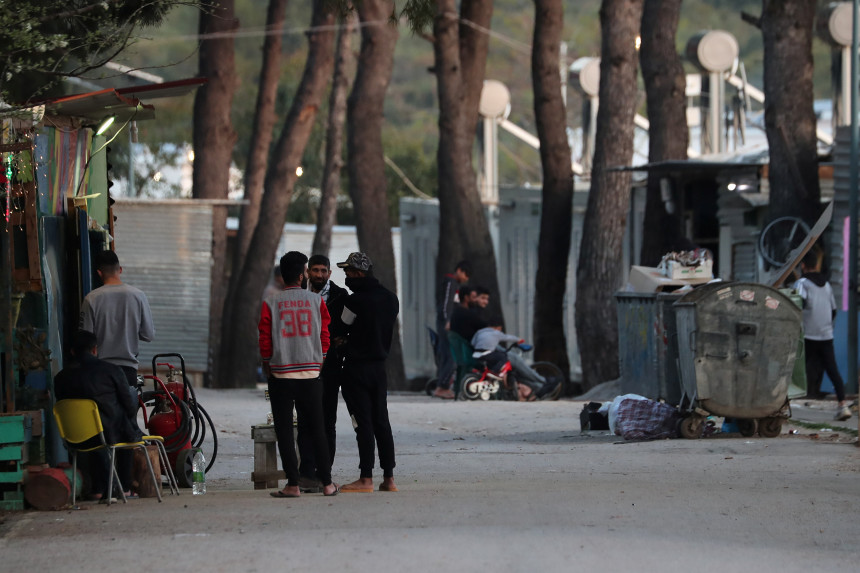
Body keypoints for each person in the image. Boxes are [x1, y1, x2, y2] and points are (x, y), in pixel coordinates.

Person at [258, 251, 339, 498]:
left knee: (284, 430)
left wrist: (268, 363)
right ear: (302, 275)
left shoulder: (271, 302)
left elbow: (264, 338)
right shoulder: (316, 302)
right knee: (318, 428)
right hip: (311, 374)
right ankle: (327, 484)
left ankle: (293, 484)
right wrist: (320, 359)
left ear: (283, 276)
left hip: (281, 374)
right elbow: (325, 335)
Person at [336, 252, 399, 493]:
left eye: (348, 272)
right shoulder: (391, 299)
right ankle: (389, 478)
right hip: (379, 369)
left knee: (363, 423)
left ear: (358, 274)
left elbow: (341, 328)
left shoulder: (354, 301)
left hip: (356, 369)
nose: (346, 277)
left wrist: (345, 341)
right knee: (381, 420)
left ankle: (366, 478)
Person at [54, 330, 143, 501]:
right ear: (95, 349)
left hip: (75, 437)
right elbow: (129, 406)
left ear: (72, 351)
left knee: (96, 434)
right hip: (110, 435)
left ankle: (98, 489)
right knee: (125, 428)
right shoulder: (112, 370)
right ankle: (124, 488)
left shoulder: (60, 377)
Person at [294, 254, 349, 492]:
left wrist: (340, 344)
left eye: (323, 270)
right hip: (304, 365)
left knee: (327, 421)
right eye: (315, 270)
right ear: (307, 272)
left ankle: (324, 473)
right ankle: (306, 473)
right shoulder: (298, 295)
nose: (319, 274)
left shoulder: (340, 296)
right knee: (305, 420)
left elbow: (348, 327)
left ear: (329, 273)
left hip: (330, 367)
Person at [80, 250, 155, 389]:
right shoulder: (138, 296)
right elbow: (148, 335)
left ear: (99, 273)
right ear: (120, 269)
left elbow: (85, 339)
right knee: (128, 402)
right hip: (129, 371)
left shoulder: (91, 299)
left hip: (101, 370)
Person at [794, 251, 852, 421]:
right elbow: (833, 310)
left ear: (803, 265)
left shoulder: (802, 283)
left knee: (794, 369)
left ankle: (781, 403)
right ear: (816, 265)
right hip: (826, 335)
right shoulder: (826, 285)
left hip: (808, 335)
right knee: (832, 369)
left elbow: (797, 304)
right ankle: (843, 405)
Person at [471, 321, 560, 401]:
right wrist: (519, 340)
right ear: (498, 328)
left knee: (515, 373)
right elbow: (507, 337)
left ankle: (539, 387)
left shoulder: (480, 332)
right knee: (515, 361)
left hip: (477, 355)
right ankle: (543, 381)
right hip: (491, 357)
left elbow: (473, 343)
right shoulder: (496, 333)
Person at [433, 261, 471, 399]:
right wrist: (447, 321)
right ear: (459, 270)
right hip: (446, 324)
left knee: (447, 354)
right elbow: (446, 305)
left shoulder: (454, 284)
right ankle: (442, 387)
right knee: (452, 355)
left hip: (448, 323)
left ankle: (442, 385)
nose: (466, 279)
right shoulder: (450, 282)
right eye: (466, 274)